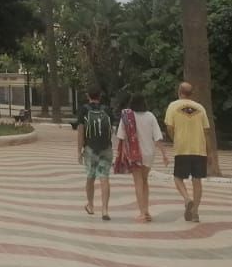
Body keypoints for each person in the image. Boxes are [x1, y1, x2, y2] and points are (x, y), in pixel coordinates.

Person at [114, 92, 171, 223]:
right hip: (149, 153)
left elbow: (121, 136)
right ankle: (146, 211)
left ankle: (142, 213)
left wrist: (121, 154)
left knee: (138, 183)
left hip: (135, 154)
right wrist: (164, 154)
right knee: (145, 181)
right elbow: (157, 137)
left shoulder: (127, 116)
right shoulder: (150, 116)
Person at [164, 81, 211, 223]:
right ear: (192, 93)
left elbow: (169, 127)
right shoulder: (200, 108)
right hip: (199, 149)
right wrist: (209, 153)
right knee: (197, 181)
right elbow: (206, 131)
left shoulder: (173, 106)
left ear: (179, 92)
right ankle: (195, 212)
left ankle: (187, 198)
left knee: (178, 177)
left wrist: (175, 138)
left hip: (182, 148)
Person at [72, 88, 115, 220]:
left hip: (90, 149)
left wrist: (79, 151)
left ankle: (91, 206)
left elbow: (81, 131)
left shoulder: (84, 110)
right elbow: (111, 130)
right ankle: (105, 210)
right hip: (106, 148)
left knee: (90, 177)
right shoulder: (107, 109)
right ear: (100, 96)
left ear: (88, 96)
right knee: (104, 177)